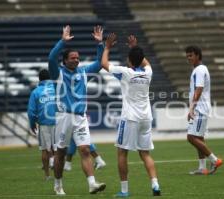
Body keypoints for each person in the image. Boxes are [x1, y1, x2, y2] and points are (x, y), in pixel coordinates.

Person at [101, 33, 161, 197]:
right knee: (145, 153)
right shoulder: (148, 72)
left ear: (129, 60)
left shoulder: (125, 72)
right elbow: (145, 61)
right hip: (146, 118)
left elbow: (104, 64)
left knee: (122, 153)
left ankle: (124, 190)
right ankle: (155, 184)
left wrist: (107, 47)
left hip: (130, 118)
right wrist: (135, 48)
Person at [48, 25, 106, 195]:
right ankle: (58, 184)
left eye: (77, 58)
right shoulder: (57, 73)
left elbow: (99, 63)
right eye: (72, 58)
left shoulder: (83, 72)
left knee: (85, 150)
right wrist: (62, 42)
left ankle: (92, 184)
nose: (76, 60)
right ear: (65, 60)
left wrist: (100, 44)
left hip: (80, 117)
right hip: (63, 117)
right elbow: (51, 58)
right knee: (61, 153)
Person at [185, 46, 222, 175]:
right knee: (199, 137)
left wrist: (192, 108)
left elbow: (199, 90)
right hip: (200, 107)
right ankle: (202, 168)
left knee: (191, 137)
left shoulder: (199, 70)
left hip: (200, 109)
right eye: (187, 56)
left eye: (191, 55)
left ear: (198, 55)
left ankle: (214, 159)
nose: (188, 58)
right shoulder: (199, 69)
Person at [27, 69, 56, 180]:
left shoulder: (36, 92)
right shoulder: (56, 89)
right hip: (58, 122)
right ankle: (58, 175)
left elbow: (31, 111)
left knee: (44, 149)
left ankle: (47, 175)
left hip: (44, 123)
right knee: (58, 149)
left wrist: (32, 123)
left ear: (39, 79)